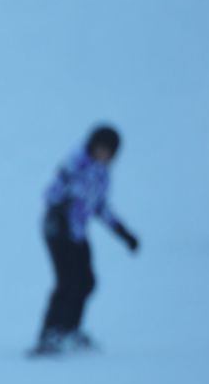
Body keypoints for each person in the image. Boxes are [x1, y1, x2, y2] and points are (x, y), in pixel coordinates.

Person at [33, 125, 137, 354]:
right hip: (58, 230)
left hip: (77, 233)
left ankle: (70, 330)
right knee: (67, 282)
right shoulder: (76, 164)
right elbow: (52, 192)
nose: (103, 154)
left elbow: (100, 206)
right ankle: (50, 334)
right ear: (92, 145)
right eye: (100, 148)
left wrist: (124, 233)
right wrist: (60, 209)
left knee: (86, 282)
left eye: (108, 151)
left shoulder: (102, 174)